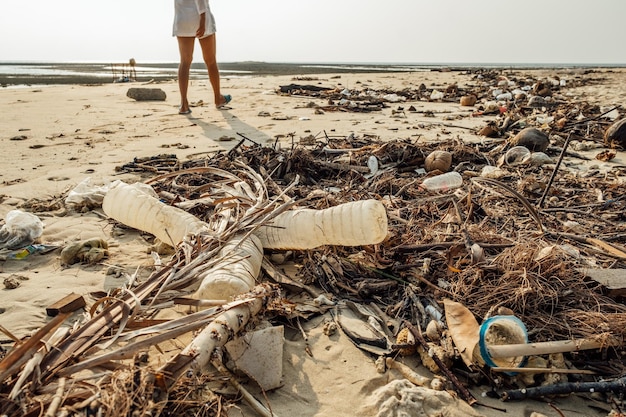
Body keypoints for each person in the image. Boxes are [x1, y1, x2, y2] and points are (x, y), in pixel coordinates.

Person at [173, 0, 231, 114]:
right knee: (211, 61)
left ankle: (184, 104)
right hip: (200, 18)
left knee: (184, 62)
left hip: (182, 19)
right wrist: (203, 19)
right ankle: (218, 98)